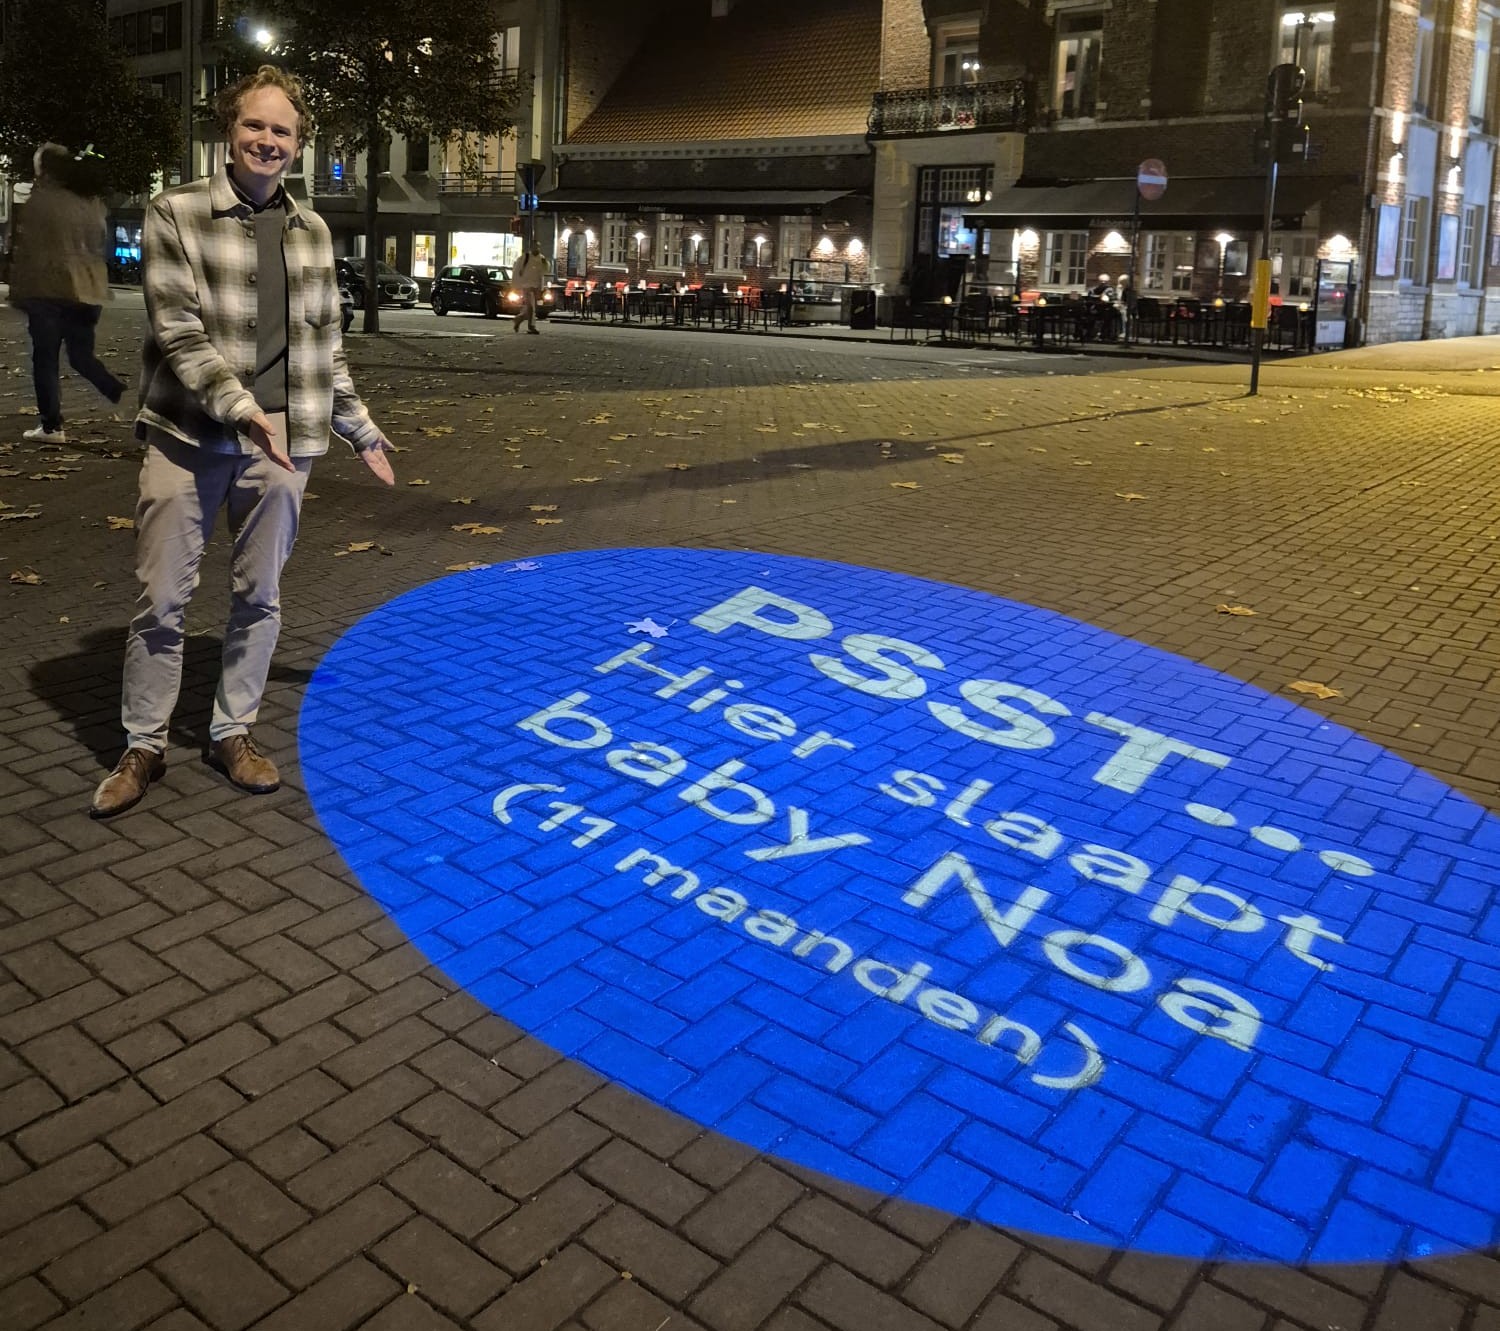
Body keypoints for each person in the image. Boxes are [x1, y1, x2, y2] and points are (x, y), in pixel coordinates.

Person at [91, 65, 396, 819]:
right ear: (230, 131)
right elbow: (177, 330)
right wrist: (238, 406)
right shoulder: (176, 212)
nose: (267, 140)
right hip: (188, 432)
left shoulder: (313, 229)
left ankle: (233, 731)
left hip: (282, 444)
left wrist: (358, 428)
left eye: (281, 130)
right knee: (162, 597)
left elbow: (325, 348)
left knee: (259, 597)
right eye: (254, 125)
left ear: (298, 144)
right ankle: (145, 743)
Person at [8, 142, 125, 443]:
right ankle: (120, 395)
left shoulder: (40, 202)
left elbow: (28, 252)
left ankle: (51, 426)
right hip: (87, 290)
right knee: (80, 356)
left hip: (49, 290)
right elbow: (100, 242)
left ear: (43, 169)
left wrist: (18, 290)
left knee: (45, 358)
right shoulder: (91, 201)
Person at [512, 244, 550, 334]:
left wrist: (546, 263)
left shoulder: (541, 258)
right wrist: (516, 284)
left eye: (538, 247)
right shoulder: (525, 257)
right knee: (530, 306)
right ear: (531, 248)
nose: (536, 248)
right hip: (526, 285)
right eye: (534, 246)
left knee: (532, 307)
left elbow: (545, 271)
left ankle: (519, 319)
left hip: (536, 285)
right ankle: (531, 326)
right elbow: (517, 270)